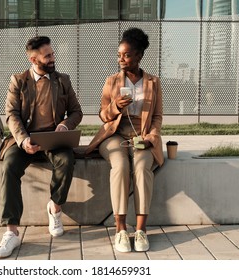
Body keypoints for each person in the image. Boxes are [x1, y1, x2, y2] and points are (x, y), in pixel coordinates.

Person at [0, 36, 83, 258]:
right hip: (25, 140)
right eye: (48, 56)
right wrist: (23, 140)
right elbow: (11, 114)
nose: (53, 58)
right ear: (34, 59)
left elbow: (76, 112)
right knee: (10, 165)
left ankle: (54, 207)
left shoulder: (63, 80)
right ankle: (12, 232)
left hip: (54, 139)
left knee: (66, 160)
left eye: (52, 54)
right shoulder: (18, 81)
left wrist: (64, 125)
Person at [85, 28, 164, 253]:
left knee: (141, 168)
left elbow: (157, 117)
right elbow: (102, 115)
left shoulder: (153, 82)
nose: (121, 59)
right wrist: (115, 107)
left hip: (143, 134)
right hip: (115, 134)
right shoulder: (111, 81)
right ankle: (120, 230)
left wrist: (151, 138)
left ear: (139, 56)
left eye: (126, 55)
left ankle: (140, 231)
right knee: (120, 166)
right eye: (119, 54)